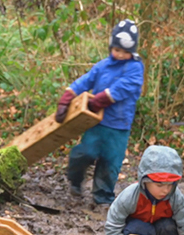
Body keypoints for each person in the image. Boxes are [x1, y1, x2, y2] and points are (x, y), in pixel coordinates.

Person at [55, 19, 144, 206]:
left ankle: (102, 198)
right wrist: (69, 95)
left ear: (132, 51)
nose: (120, 55)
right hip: (96, 123)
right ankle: (75, 182)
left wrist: (99, 100)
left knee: (110, 163)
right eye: (117, 50)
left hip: (119, 126)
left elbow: (122, 89)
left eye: (125, 52)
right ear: (111, 47)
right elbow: (86, 80)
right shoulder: (103, 66)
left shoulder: (135, 68)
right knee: (84, 152)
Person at [104, 145, 184, 235]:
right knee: (139, 228)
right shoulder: (130, 196)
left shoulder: (176, 197)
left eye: (170, 185)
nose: (165, 190)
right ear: (145, 181)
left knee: (168, 227)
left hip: (164, 234)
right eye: (159, 185)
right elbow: (113, 225)